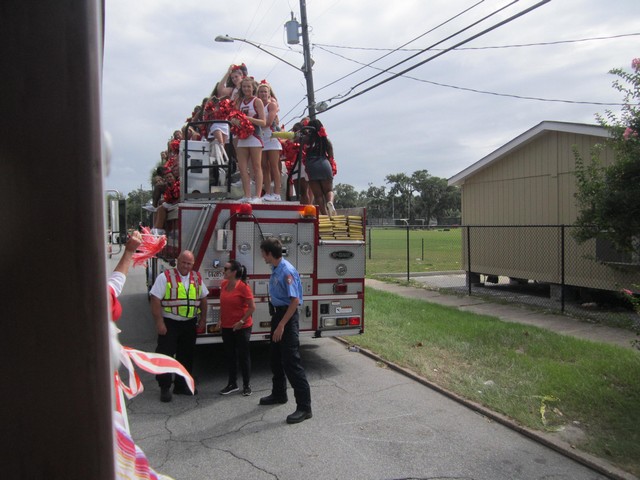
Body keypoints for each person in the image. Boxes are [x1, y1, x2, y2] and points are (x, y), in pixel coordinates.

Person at [259, 237, 312, 424]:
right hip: (278, 317)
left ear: (268, 253)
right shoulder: (275, 268)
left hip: (287, 320)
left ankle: (304, 408)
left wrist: (282, 324)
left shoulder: (286, 271)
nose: (262, 256)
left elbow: (295, 300)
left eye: (262, 253)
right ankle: (279, 394)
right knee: (275, 358)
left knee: (291, 362)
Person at [149, 250, 209, 403]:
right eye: (183, 262)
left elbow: (203, 298)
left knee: (186, 355)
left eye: (189, 263)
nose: (186, 266)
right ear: (178, 261)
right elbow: (155, 299)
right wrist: (159, 322)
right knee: (166, 356)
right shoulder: (166, 277)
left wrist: (203, 319)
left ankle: (182, 385)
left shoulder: (196, 278)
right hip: (170, 323)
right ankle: (164, 388)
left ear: (193, 264)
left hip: (189, 323)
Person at [219, 259, 255, 397]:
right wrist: (220, 320)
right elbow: (224, 305)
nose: (224, 271)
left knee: (243, 356)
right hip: (227, 326)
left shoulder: (243, 287)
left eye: (226, 269)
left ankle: (247, 385)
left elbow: (252, 308)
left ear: (234, 272)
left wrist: (241, 321)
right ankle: (232, 384)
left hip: (242, 327)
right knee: (230, 355)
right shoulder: (223, 285)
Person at [234, 77, 266, 203]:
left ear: (253, 88)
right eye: (244, 86)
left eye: (249, 86)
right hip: (242, 137)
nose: (246, 89)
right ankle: (247, 195)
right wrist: (235, 121)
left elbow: (263, 122)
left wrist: (247, 118)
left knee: (256, 166)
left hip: (255, 137)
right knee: (242, 167)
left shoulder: (257, 101)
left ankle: (257, 196)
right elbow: (235, 116)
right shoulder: (239, 101)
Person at [300, 119, 336, 216]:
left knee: (318, 195)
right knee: (328, 190)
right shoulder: (326, 140)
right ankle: (330, 203)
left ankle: (324, 214)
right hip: (324, 164)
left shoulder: (306, 139)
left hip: (312, 166)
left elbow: (295, 141)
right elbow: (331, 156)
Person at [257, 81, 283, 201]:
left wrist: (252, 123)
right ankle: (267, 192)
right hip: (261, 138)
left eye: (265, 92)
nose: (263, 94)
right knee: (264, 166)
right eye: (261, 92)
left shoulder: (271, 105)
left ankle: (277, 193)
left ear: (268, 93)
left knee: (274, 166)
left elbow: (267, 123)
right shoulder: (257, 106)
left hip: (271, 137)